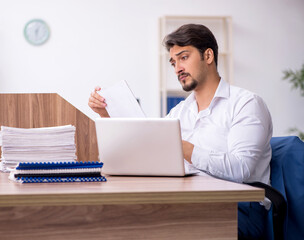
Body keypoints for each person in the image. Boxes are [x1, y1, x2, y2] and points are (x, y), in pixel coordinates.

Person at [88, 24, 273, 239]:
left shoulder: (247, 104)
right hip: (189, 199)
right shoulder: (180, 111)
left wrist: (181, 147)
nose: (177, 68)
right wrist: (107, 115)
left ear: (208, 55)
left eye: (184, 57)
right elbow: (148, 148)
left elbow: (242, 170)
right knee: (117, 220)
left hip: (238, 208)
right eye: (173, 62)